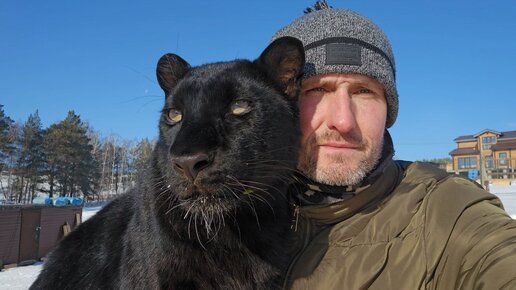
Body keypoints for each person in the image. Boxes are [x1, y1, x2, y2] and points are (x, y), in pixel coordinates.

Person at [271, 5, 516, 290]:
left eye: (364, 91)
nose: (343, 121)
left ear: (388, 110)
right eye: (316, 90)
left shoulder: (447, 212)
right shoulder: (229, 213)